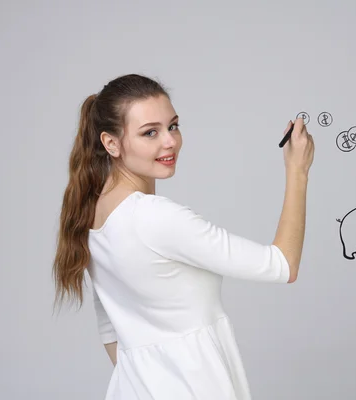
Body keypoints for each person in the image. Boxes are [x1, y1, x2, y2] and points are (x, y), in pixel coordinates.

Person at [52, 73, 315, 399]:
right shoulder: (156, 217)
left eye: (173, 126)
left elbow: (109, 326)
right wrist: (298, 170)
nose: (170, 142)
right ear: (111, 143)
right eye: (150, 132)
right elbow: (282, 265)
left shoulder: (93, 213)